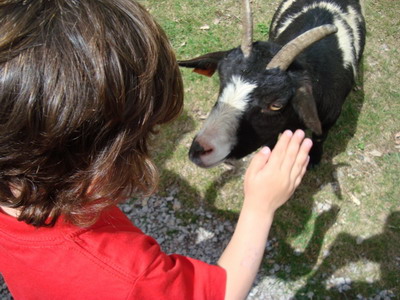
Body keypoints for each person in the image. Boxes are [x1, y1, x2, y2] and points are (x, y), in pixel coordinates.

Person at [0, 0, 313, 299]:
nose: (149, 155)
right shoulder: (129, 278)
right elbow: (222, 292)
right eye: (139, 140)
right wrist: (260, 206)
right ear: (82, 160)